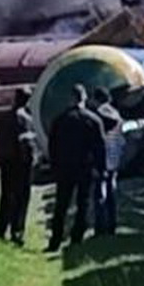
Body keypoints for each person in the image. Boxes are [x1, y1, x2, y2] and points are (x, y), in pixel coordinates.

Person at [45, 84, 105, 252]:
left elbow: (52, 146)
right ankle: (77, 238)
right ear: (84, 98)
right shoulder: (93, 120)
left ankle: (55, 240)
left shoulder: (60, 120)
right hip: (85, 167)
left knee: (61, 205)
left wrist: (54, 166)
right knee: (83, 203)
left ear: (71, 99)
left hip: (64, 168)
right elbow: (100, 147)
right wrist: (100, 168)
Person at [0, 88, 37, 247]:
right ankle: (17, 231)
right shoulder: (27, 120)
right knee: (22, 198)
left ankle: (0, 229)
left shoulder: (3, 119)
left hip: (7, 164)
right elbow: (30, 144)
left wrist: (0, 161)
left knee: (6, 196)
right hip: (23, 165)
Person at [91, 87, 124, 236]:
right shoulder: (116, 113)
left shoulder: (98, 114)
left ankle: (100, 227)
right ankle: (112, 225)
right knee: (111, 192)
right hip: (114, 159)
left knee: (100, 193)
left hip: (102, 159)